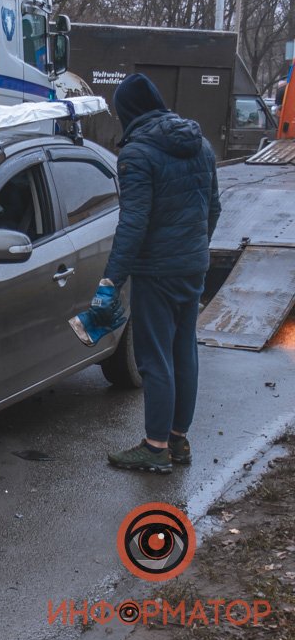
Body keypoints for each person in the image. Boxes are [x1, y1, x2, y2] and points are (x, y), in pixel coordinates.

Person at [99, 73, 221, 474]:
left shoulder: (137, 154)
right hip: (192, 266)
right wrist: (194, 248)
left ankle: (154, 448)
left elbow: (133, 223)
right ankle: (177, 441)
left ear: (128, 112)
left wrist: (111, 280)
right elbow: (213, 208)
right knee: (184, 351)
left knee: (154, 360)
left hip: (157, 271)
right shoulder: (200, 144)